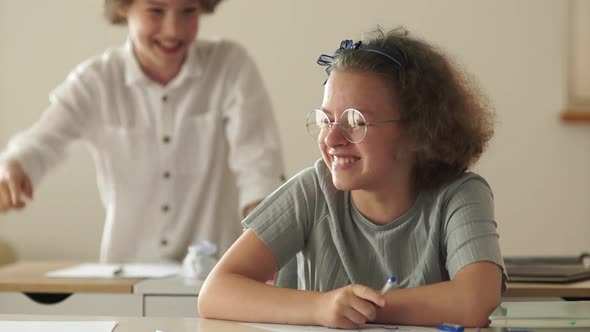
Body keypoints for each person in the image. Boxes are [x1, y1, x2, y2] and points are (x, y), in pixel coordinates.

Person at [198, 27, 506, 328]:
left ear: (416, 131)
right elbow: (215, 292)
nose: (331, 139)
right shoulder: (312, 190)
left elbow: (475, 300)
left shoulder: (460, 194)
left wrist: (354, 310)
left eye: (355, 121)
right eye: (326, 119)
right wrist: (320, 307)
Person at [0, 0, 285, 263]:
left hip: (216, 273)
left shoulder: (229, 65)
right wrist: (14, 167)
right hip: (125, 275)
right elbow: (42, 142)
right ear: (124, 7)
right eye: (156, 10)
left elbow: (258, 166)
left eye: (188, 11)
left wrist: (266, 237)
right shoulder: (96, 80)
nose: (173, 30)